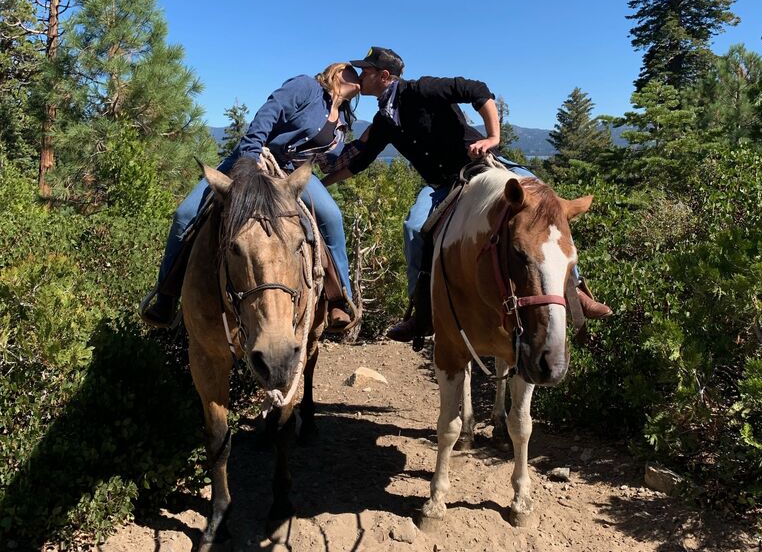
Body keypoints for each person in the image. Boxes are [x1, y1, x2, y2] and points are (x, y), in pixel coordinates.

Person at [323, 47, 612, 342]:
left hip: (482, 166)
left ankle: (575, 290)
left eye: (366, 71)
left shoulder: (423, 89)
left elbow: (478, 91)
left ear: (384, 76)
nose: (360, 77)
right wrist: (321, 184)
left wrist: (493, 138)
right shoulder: (384, 121)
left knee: (547, 201)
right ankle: (422, 314)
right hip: (443, 186)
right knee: (413, 228)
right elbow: (359, 162)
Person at [141, 62, 361, 332]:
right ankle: (166, 296)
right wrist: (250, 156)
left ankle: (339, 299)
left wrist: (366, 142)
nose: (358, 77)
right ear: (337, 73)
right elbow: (270, 112)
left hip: (294, 172)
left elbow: (329, 163)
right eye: (353, 71)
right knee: (185, 214)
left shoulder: (341, 122)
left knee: (331, 216)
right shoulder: (307, 87)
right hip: (256, 156)